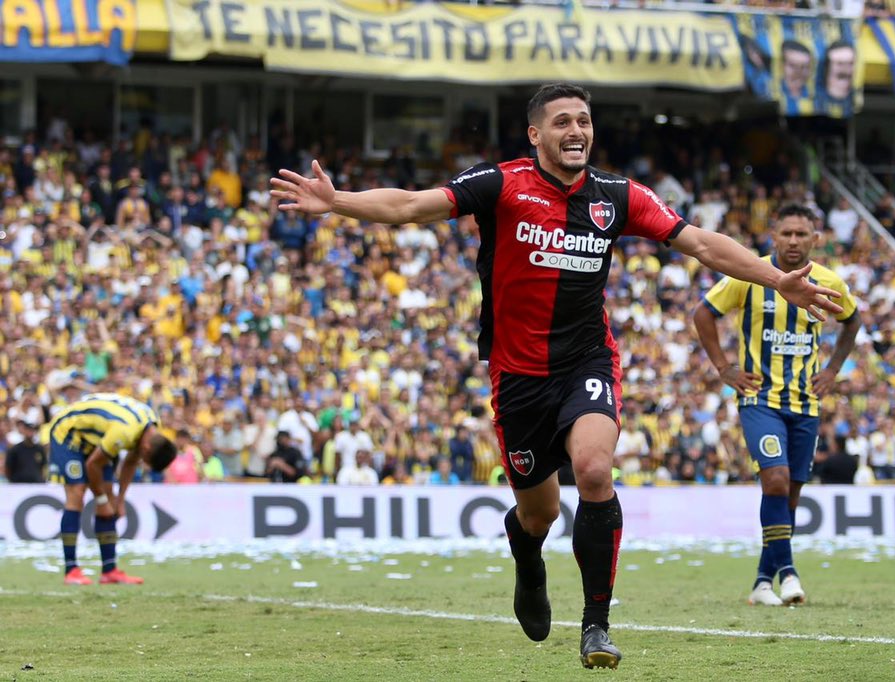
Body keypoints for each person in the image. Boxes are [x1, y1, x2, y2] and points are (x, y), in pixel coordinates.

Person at [272, 82, 842, 669]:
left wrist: (776, 279)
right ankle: (527, 556)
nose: (576, 131)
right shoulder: (501, 184)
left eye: (584, 121)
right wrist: (337, 202)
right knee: (538, 514)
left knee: (594, 470)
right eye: (563, 121)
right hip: (517, 376)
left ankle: (597, 625)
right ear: (535, 134)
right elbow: (412, 206)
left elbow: (699, 242)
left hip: (586, 362)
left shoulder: (616, 196)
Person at [693, 203, 860, 608]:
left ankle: (762, 582)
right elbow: (703, 314)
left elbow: (853, 321)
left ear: (815, 239)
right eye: (786, 233)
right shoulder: (750, 276)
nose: (793, 241)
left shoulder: (828, 281)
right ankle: (788, 574)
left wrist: (832, 369)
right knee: (776, 481)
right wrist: (724, 368)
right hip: (759, 399)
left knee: (790, 498)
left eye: (802, 234)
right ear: (774, 236)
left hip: (805, 403)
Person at [46, 393, 177, 585]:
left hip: (97, 436)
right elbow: (92, 465)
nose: (142, 461)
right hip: (69, 431)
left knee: (109, 495)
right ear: (147, 448)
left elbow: (131, 462)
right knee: (77, 492)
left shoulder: (152, 429)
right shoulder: (124, 432)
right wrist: (101, 500)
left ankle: (109, 570)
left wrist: (119, 500)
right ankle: (71, 570)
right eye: (145, 459)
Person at [5, 417, 47, 483]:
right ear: (23, 431)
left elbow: (43, 467)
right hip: (19, 484)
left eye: (32, 430)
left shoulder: (39, 449)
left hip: (36, 484)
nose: (30, 432)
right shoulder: (15, 450)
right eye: (28, 430)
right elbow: (8, 468)